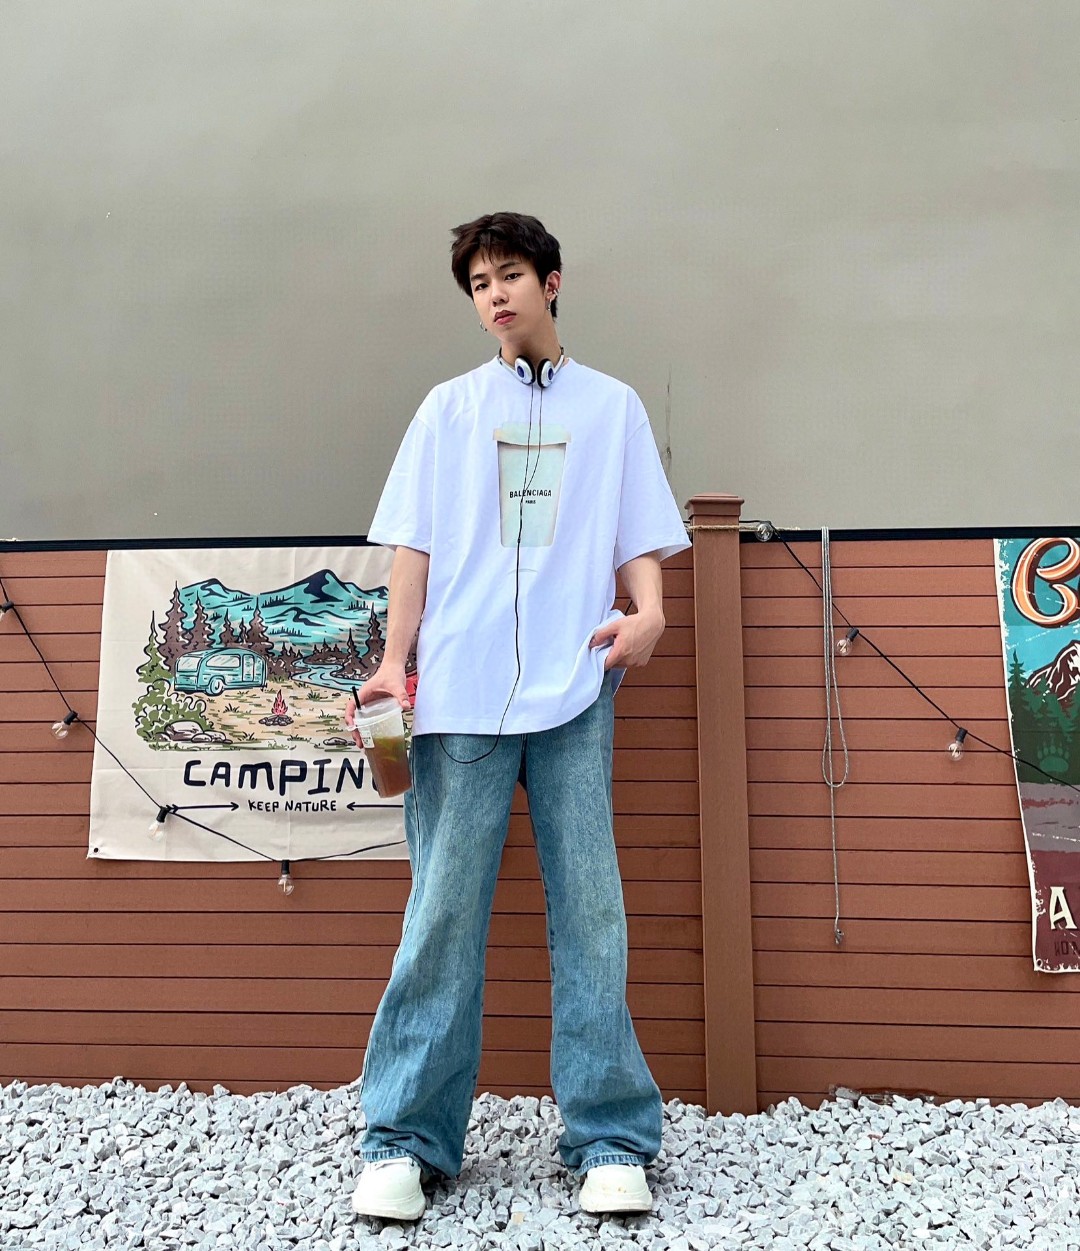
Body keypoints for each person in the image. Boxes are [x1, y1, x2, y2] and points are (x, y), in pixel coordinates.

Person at [346, 212, 690, 1222]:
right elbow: (412, 546)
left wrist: (652, 614)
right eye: (478, 283)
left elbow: (638, 536)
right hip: (459, 695)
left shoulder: (613, 407)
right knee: (442, 914)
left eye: (510, 275)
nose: (494, 294)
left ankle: (610, 1137)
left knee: (592, 912)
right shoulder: (448, 409)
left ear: (553, 281)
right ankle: (405, 1138)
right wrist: (395, 661)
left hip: (576, 689)